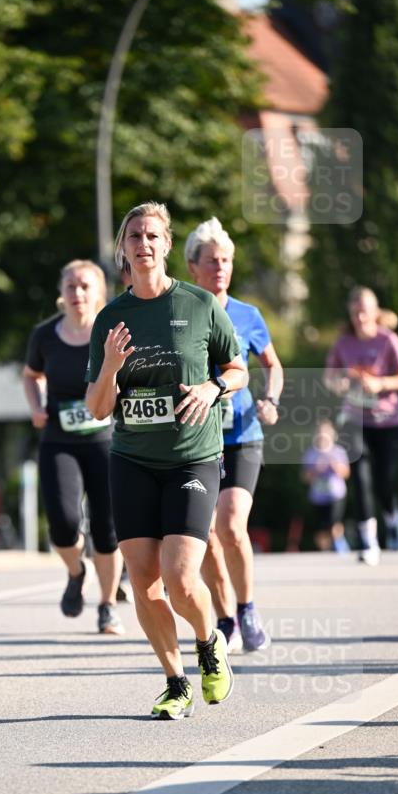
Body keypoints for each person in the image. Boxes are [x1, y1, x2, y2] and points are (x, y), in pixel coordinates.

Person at [86, 201, 247, 720]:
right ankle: (175, 682)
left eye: (152, 235)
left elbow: (238, 369)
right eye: (134, 235)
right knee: (144, 582)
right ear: (123, 247)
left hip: (191, 459)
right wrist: (110, 366)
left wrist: (213, 387)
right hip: (132, 460)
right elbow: (98, 408)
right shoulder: (110, 318)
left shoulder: (200, 304)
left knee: (179, 578)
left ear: (168, 244)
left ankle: (208, 640)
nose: (144, 244)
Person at [185, 216, 283, 653]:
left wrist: (271, 399)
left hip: (242, 435)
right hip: (196, 439)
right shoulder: (182, 313)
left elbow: (272, 365)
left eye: (225, 260)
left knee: (229, 524)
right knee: (204, 534)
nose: (220, 268)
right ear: (193, 267)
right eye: (211, 260)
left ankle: (247, 608)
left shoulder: (248, 315)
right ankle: (225, 619)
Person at [23, 259, 125, 635]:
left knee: (107, 527)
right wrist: (36, 407)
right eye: (71, 286)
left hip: (106, 440)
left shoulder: (112, 332)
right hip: (59, 440)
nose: (78, 293)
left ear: (99, 293)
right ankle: (76, 570)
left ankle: (108, 605)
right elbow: (30, 375)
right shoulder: (44, 336)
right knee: (63, 525)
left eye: (85, 286)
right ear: (61, 293)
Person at [324, 286, 398, 563]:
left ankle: (393, 518)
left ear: (375, 312)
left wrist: (380, 383)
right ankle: (369, 542)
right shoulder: (343, 343)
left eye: (364, 311)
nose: (360, 317)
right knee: (360, 480)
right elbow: (329, 377)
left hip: (388, 421)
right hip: (354, 420)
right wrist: (340, 383)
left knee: (383, 481)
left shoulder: (388, 340)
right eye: (355, 312)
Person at [301, 420, 350, 552]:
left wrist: (334, 466)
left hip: (336, 495)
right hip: (318, 496)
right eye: (320, 432)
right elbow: (305, 477)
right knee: (321, 528)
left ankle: (339, 546)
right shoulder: (311, 453)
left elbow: (346, 473)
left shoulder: (338, 452)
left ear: (333, 434)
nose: (323, 435)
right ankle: (325, 552)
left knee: (334, 523)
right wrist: (316, 470)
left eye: (326, 432)